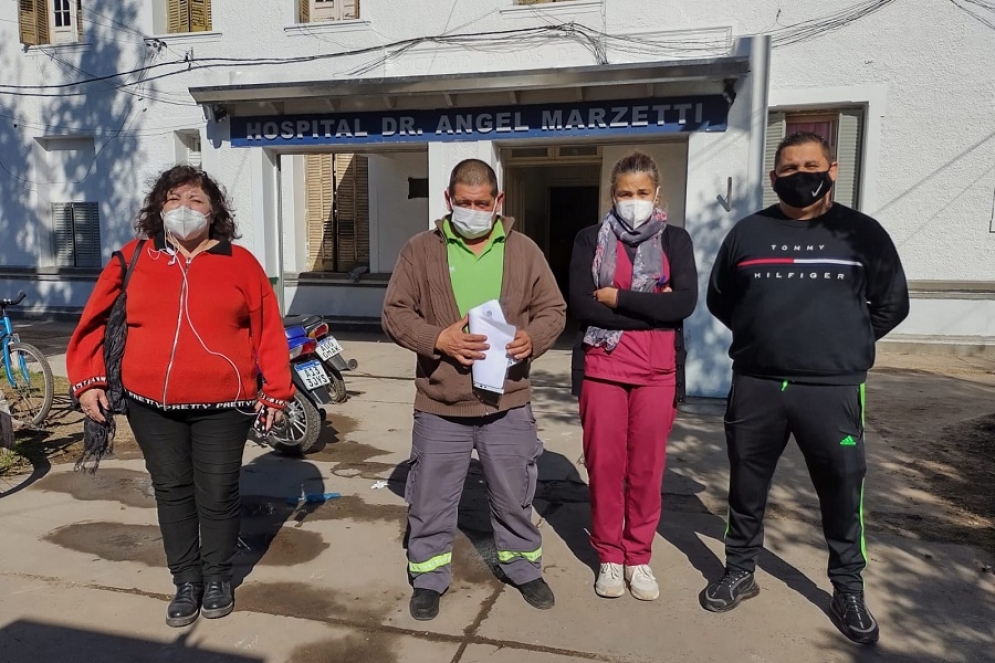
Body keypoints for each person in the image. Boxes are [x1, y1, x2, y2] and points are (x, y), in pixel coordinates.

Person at [703, 132, 910, 644]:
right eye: (789, 168)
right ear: (774, 179)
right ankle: (740, 569)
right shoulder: (747, 233)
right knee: (746, 487)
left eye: (810, 165)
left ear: (832, 169)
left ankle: (847, 587)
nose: (801, 175)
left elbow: (892, 304)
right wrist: (766, 340)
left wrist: (841, 343)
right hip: (757, 385)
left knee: (842, 491)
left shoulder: (864, 234)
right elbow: (721, 299)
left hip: (833, 390)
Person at [67, 166, 294, 628]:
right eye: (173, 199)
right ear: (158, 209)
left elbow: (268, 330)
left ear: (215, 213)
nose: (184, 209)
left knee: (217, 493)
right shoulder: (132, 258)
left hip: (224, 406)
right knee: (171, 492)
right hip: (151, 405)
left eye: (196, 200)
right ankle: (185, 580)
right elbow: (92, 321)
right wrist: (88, 380)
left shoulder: (241, 263)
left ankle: (217, 578)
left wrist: (276, 391)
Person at [382, 158, 566, 621]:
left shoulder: (523, 251)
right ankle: (427, 575)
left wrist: (533, 339)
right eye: (463, 203)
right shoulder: (419, 251)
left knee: (513, 492)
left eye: (481, 204)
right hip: (442, 402)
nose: (472, 211)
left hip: (508, 400)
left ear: (498, 202)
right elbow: (395, 313)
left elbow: (554, 310)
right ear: (448, 200)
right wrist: (437, 339)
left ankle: (522, 566)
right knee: (430, 496)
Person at [568, 151, 698, 600]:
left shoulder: (676, 241)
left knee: (646, 470)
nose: (634, 200)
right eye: (625, 193)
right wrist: (652, 309)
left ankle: (638, 556)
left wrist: (618, 299)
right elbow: (582, 305)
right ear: (612, 195)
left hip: (657, 371)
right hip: (602, 369)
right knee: (605, 467)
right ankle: (609, 555)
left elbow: (683, 305)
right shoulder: (590, 240)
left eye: (642, 193)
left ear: (657, 194)